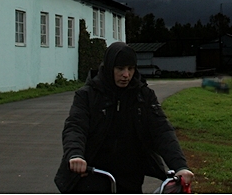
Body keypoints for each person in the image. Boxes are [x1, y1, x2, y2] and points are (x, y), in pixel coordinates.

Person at [55, 42, 195, 193]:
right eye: (120, 69)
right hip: (93, 172)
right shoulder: (88, 95)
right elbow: (76, 126)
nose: (126, 74)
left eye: (130, 69)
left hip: (130, 176)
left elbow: (161, 131)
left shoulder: (144, 96)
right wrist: (76, 155)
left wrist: (180, 166)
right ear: (109, 68)